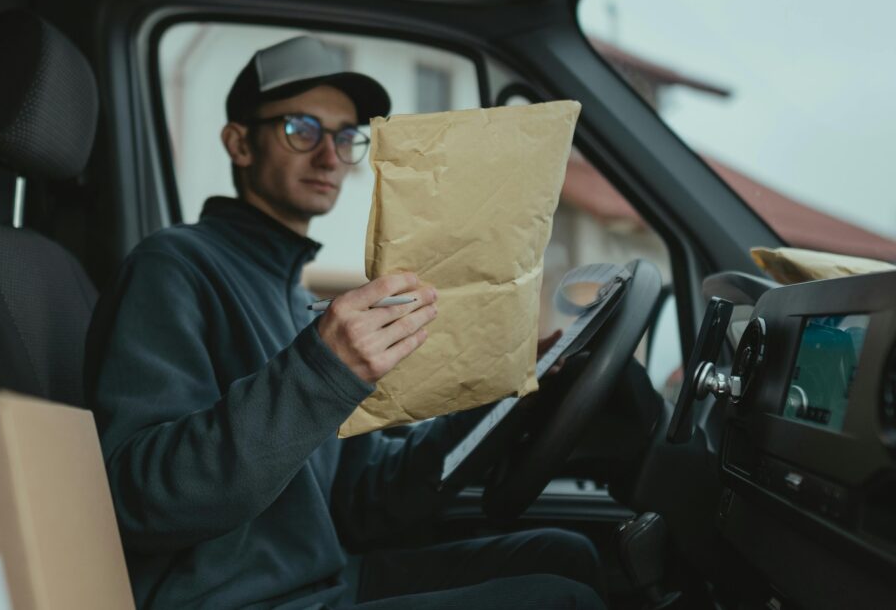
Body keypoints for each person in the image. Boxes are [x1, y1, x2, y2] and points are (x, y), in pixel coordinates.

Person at [85, 35, 605, 609]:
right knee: (559, 601)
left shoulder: (291, 291)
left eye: (345, 136)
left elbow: (361, 500)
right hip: (240, 599)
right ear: (239, 143)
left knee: (567, 552)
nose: (330, 156)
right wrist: (321, 371)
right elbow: (143, 499)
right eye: (300, 129)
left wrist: (501, 400)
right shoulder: (174, 267)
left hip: (324, 576)